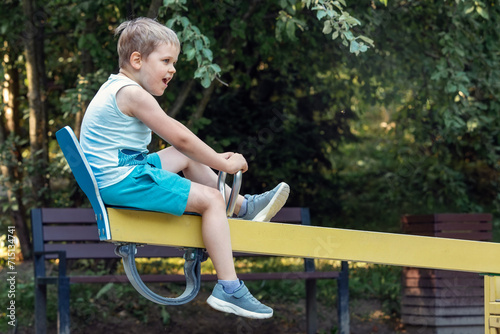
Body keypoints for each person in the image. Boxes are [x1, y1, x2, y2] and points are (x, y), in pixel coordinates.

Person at [79, 17, 289, 319]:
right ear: (137, 60)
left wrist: (216, 158)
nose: (173, 69)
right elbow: (179, 135)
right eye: (166, 61)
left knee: (183, 157)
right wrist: (223, 163)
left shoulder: (118, 87)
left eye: (173, 62)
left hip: (122, 170)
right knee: (210, 199)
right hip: (122, 179)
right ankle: (229, 288)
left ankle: (243, 207)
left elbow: (183, 146)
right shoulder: (132, 94)